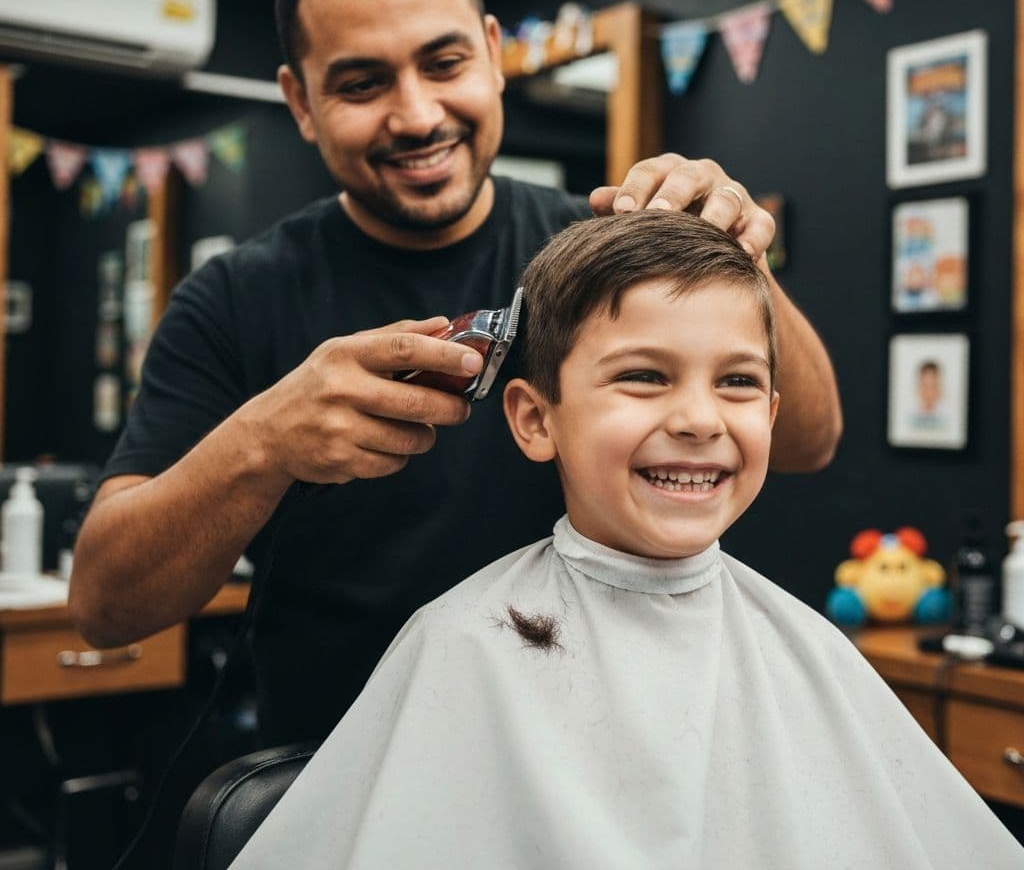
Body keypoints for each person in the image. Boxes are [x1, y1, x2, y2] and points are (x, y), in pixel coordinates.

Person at [68, 0, 842, 746]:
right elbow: (107, 609)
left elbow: (807, 440)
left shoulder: (592, 254)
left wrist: (737, 253)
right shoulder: (232, 299)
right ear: (300, 101)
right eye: (362, 84)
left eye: (444, 63)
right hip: (344, 773)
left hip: (598, 748)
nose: (417, 115)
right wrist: (265, 444)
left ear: (492, 52)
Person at [228, 211, 1020, 869]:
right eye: (644, 376)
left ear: (771, 416)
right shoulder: (462, 647)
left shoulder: (810, 648)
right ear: (534, 419)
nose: (700, 419)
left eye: (738, 381)